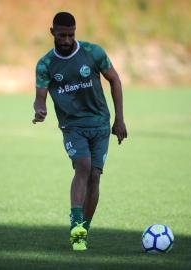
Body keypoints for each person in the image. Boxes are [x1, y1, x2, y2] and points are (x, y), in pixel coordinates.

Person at [33, 12, 127, 251]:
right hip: (73, 126)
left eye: (71, 35)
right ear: (52, 32)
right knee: (83, 167)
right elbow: (40, 98)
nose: (66, 40)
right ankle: (75, 224)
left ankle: (82, 231)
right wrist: (40, 109)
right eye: (62, 35)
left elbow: (115, 80)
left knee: (95, 176)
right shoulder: (45, 64)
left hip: (100, 125)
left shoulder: (93, 53)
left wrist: (120, 119)